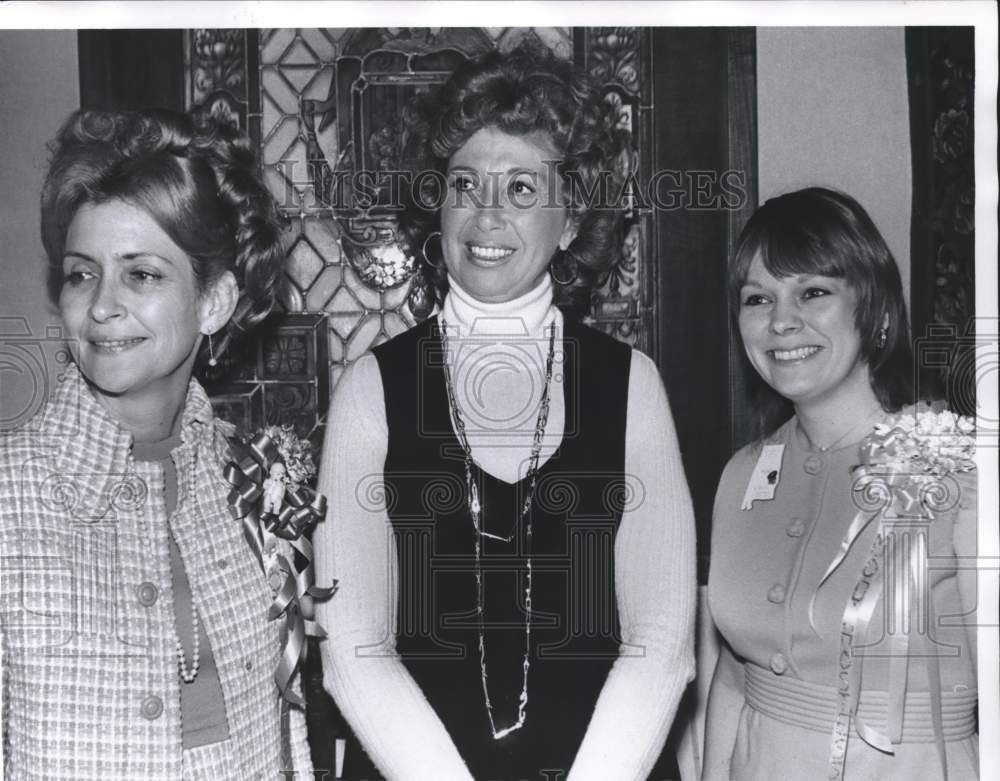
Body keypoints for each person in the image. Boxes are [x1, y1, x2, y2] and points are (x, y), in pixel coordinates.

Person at [314, 46, 696, 781]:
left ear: (571, 217)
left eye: (521, 188)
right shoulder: (370, 388)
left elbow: (661, 645)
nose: (486, 214)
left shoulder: (631, 385)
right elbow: (354, 653)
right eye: (465, 184)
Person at [0, 108, 313, 779]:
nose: (101, 306)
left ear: (213, 301)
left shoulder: (253, 481)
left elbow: (287, 733)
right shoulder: (9, 493)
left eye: (140, 274)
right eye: (82, 273)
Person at [702, 187, 978, 780]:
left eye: (813, 292)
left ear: (876, 311)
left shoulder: (959, 470)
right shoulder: (741, 475)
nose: (781, 321)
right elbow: (732, 677)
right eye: (758, 298)